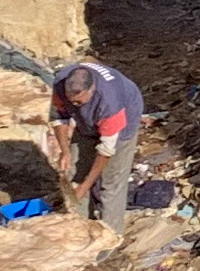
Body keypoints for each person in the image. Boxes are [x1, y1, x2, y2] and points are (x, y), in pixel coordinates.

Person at [49, 59, 147, 228]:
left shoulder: (110, 103)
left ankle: (109, 236)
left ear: (92, 91)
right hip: (87, 123)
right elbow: (60, 117)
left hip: (123, 121)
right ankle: (79, 225)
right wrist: (65, 151)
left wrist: (86, 185)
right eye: (71, 101)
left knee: (111, 184)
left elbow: (106, 150)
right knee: (74, 172)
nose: (75, 105)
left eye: (79, 102)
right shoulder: (60, 84)